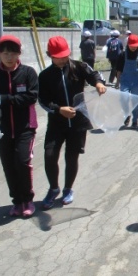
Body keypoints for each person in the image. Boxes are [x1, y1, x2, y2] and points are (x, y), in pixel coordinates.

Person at [38, 36, 107, 209]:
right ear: (49, 55)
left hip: (78, 122)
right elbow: (43, 100)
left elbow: (94, 74)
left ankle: (68, 189)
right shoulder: (45, 76)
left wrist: (98, 83)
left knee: (72, 156)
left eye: (64, 55)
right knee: (50, 155)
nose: (62, 59)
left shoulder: (79, 67)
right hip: (56, 123)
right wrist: (59, 110)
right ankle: (53, 188)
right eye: (57, 56)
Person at [0, 35, 39, 217]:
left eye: (13, 53)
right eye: (5, 53)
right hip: (4, 129)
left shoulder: (28, 73)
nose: (9, 57)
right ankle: (17, 202)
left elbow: (31, 97)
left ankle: (28, 199)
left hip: (25, 127)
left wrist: (5, 98)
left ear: (19, 54)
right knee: (8, 165)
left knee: (22, 163)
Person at [116, 34, 138, 128]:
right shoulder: (122, 54)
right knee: (123, 98)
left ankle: (135, 119)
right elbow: (119, 70)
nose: (133, 48)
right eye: (131, 46)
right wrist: (118, 81)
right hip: (124, 80)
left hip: (136, 82)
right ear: (128, 44)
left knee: (135, 102)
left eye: (135, 46)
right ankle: (127, 115)